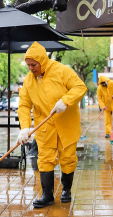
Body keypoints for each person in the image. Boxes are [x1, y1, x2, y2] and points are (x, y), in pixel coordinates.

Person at [17, 42, 87, 208]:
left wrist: (66, 101)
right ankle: (47, 195)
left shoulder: (62, 71)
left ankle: (66, 190)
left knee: (68, 159)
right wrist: (25, 127)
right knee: (45, 160)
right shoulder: (28, 81)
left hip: (66, 124)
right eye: (28, 65)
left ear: (42, 60)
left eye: (33, 65)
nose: (31, 68)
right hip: (45, 127)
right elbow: (24, 105)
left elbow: (80, 87)